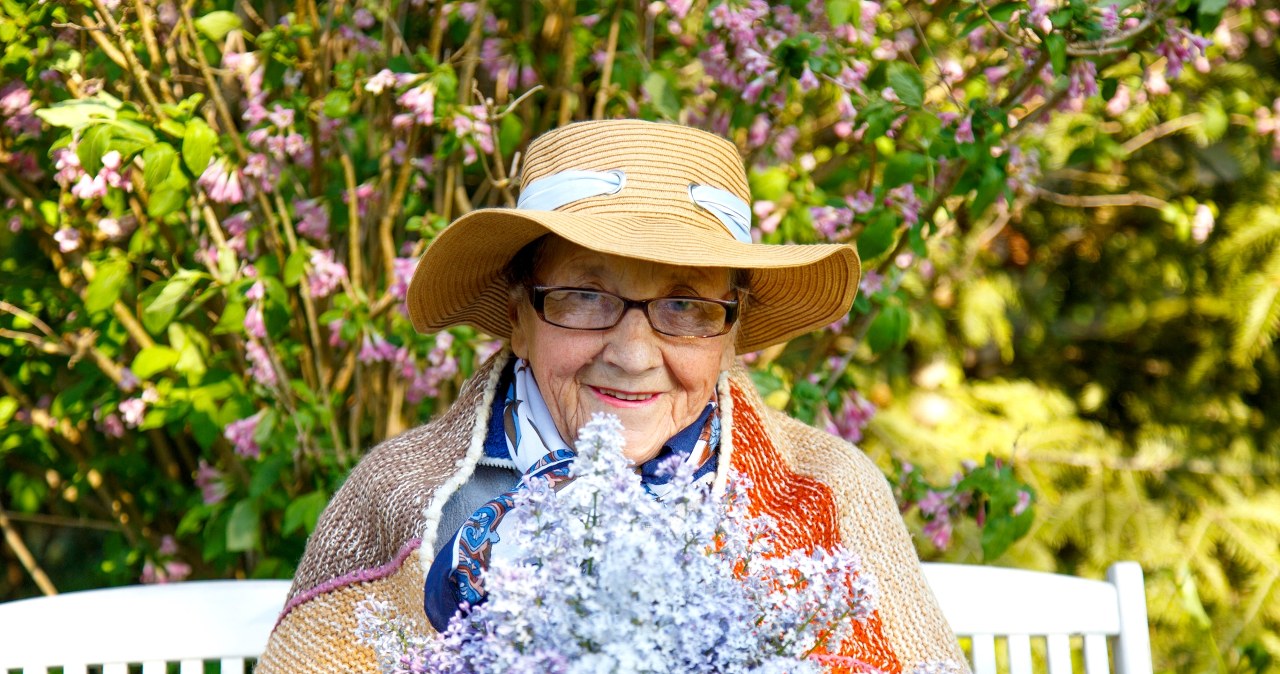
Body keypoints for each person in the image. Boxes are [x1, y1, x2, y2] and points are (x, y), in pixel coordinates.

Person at [257, 119, 969, 673]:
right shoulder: (400, 495)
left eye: (686, 306)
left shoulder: (827, 490)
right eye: (583, 296)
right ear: (517, 316)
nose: (631, 356)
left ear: (732, 330)